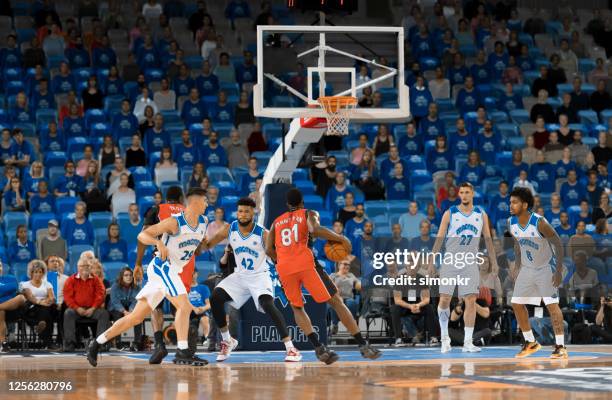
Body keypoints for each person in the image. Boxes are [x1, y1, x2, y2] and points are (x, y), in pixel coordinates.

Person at [87, 187, 210, 367]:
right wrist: (158, 242)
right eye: (205, 200)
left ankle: (96, 343)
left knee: (136, 317)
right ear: (195, 202)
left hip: (174, 270)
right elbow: (142, 234)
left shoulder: (204, 222)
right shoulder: (174, 222)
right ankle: (183, 351)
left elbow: (195, 246)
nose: (208, 204)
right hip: (163, 268)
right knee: (184, 306)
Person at [266, 188, 381, 364]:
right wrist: (341, 238)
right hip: (306, 264)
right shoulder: (308, 213)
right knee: (336, 301)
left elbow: (268, 250)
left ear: (287, 204)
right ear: (302, 203)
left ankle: (319, 348)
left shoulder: (276, 222)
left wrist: (282, 260)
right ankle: (363, 345)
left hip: (284, 268)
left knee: (297, 308)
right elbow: (316, 230)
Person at [201, 197, 302, 362]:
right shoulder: (230, 228)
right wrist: (199, 240)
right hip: (240, 275)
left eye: (247, 211)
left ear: (253, 213)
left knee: (268, 305)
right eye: (240, 211)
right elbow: (207, 245)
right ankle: (228, 340)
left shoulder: (263, 233)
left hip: (260, 275)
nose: (243, 214)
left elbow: (279, 256)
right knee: (215, 298)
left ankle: (291, 348)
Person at [428, 182, 498, 354]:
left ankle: (468, 342)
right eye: (462, 192)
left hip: (470, 261)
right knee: (444, 299)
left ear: (472, 193)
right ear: (459, 194)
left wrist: (494, 262)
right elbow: (439, 238)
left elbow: (488, 239)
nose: (464, 195)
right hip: (451, 259)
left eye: (467, 192)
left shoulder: (481, 214)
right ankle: (445, 338)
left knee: (471, 300)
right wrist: (431, 260)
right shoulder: (450, 213)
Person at [134, 186, 199, 363]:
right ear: (181, 199)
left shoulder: (157, 210)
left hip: (163, 263)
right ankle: (186, 348)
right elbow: (198, 247)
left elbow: (143, 236)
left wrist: (138, 263)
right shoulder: (189, 213)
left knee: (156, 307)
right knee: (182, 307)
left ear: (166, 198)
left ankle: (159, 345)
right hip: (184, 265)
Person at [507, 187, 568, 359]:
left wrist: (557, 271)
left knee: (551, 305)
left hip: (545, 268)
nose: (510, 205)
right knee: (516, 303)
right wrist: (517, 266)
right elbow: (517, 244)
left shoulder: (539, 222)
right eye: (510, 202)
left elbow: (558, 244)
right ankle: (530, 342)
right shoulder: (510, 222)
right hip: (527, 268)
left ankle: (561, 346)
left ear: (525, 205)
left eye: (514, 202)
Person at [62, 259, 110, 352]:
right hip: (76, 310)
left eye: (87, 266)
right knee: (68, 313)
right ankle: (70, 344)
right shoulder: (71, 280)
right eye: (82, 266)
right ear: (77, 268)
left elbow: (100, 295)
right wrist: (77, 308)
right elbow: (68, 297)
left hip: (93, 309)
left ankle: (100, 343)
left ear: (90, 267)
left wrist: (93, 308)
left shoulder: (96, 279)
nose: (84, 268)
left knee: (104, 314)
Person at [391, 261, 435, 346]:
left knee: (429, 308)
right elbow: (397, 300)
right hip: (405, 306)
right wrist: (409, 306)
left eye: (414, 267)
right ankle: (398, 339)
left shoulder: (422, 279)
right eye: (409, 266)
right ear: (406, 268)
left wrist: (418, 305)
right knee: (395, 309)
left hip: (418, 305)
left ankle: (433, 337)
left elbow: (426, 299)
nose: (411, 268)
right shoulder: (399, 279)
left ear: (417, 268)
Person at [21, 260, 56, 348]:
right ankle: (48, 342)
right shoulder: (25, 284)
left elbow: (52, 297)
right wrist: (41, 302)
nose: (38, 274)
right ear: (31, 273)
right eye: (36, 272)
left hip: (45, 307)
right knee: (46, 312)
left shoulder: (47, 284)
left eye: (40, 272)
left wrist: (48, 301)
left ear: (43, 273)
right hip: (32, 309)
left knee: (48, 309)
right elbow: (30, 297)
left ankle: (41, 324)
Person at [109, 267, 143, 350]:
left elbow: (136, 300)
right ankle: (118, 342)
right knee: (117, 315)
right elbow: (115, 302)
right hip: (116, 308)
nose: (129, 277)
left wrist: (131, 311)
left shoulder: (136, 287)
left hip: (130, 308)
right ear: (122, 277)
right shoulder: (115, 286)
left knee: (138, 315)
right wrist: (124, 311)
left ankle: (137, 342)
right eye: (126, 275)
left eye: (130, 275)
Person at [329, 260, 362, 335]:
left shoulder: (351, 275)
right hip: (336, 297)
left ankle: (351, 326)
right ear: (339, 265)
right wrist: (337, 296)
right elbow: (330, 286)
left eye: (348, 265)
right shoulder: (333, 275)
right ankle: (335, 325)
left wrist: (362, 284)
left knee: (351, 303)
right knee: (335, 304)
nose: (347, 266)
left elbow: (357, 285)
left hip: (348, 297)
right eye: (345, 264)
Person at [0, 260, 26, 353]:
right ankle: (3, 343)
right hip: (2, 313)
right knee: (1, 311)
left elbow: (14, 288)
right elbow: (9, 289)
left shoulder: (11, 278)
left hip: (14, 310)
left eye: (0, 266)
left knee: (21, 297)